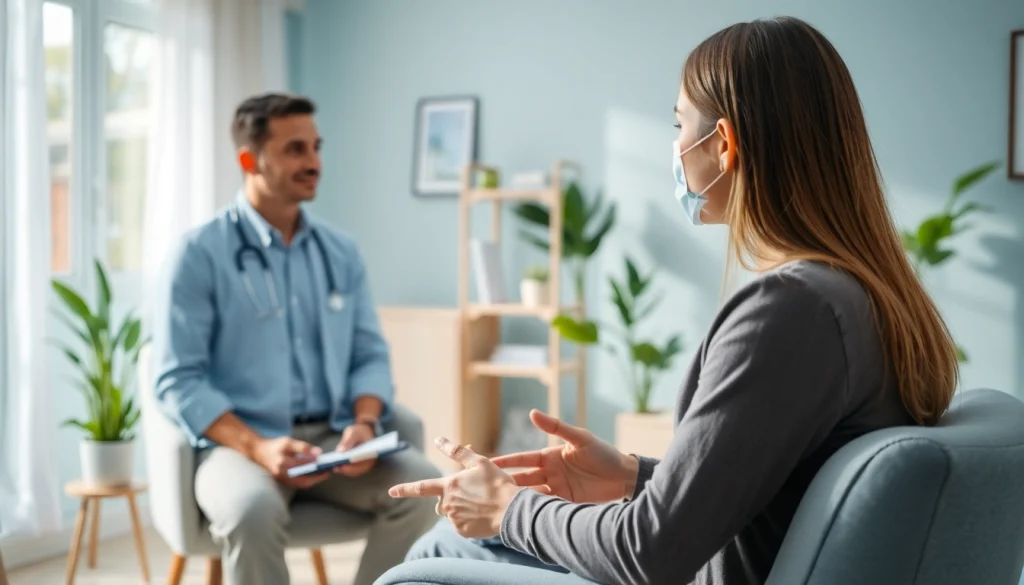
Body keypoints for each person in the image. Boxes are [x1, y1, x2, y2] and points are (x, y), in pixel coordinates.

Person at [387, 16, 960, 585]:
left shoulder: (789, 311)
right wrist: (634, 477)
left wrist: (506, 510)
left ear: (725, 143)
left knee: (431, 556)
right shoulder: (864, 297)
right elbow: (776, 491)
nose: (676, 147)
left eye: (679, 123)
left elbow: (649, 553)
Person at [151, 93, 441, 585]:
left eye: (316, 147)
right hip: (240, 445)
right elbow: (178, 379)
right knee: (250, 512)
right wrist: (258, 448)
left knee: (425, 491)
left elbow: (368, 352)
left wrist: (364, 424)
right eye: (295, 150)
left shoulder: (340, 252)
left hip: (333, 438)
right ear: (250, 159)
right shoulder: (199, 253)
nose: (314, 163)